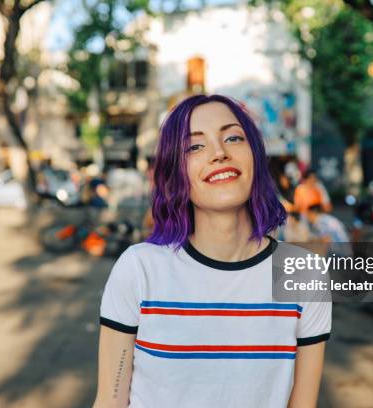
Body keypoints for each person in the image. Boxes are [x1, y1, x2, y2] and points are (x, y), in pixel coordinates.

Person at [94, 95, 332, 408]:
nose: (219, 153)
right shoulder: (139, 269)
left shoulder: (304, 273)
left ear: (255, 157)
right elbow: (110, 402)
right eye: (195, 146)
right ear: (175, 172)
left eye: (233, 137)